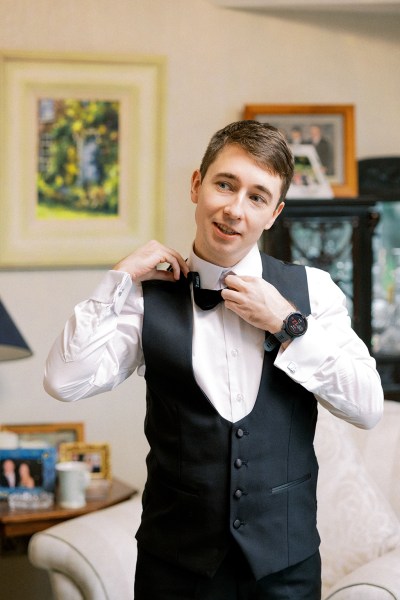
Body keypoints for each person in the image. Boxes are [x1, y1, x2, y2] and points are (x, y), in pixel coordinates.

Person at [44, 120, 383, 600]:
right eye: (225, 184)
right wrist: (116, 280)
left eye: (257, 197)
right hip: (174, 571)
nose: (234, 210)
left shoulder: (313, 293)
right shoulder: (145, 299)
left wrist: (288, 324)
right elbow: (63, 381)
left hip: (285, 571)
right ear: (197, 184)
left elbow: (367, 406)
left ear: (274, 213)